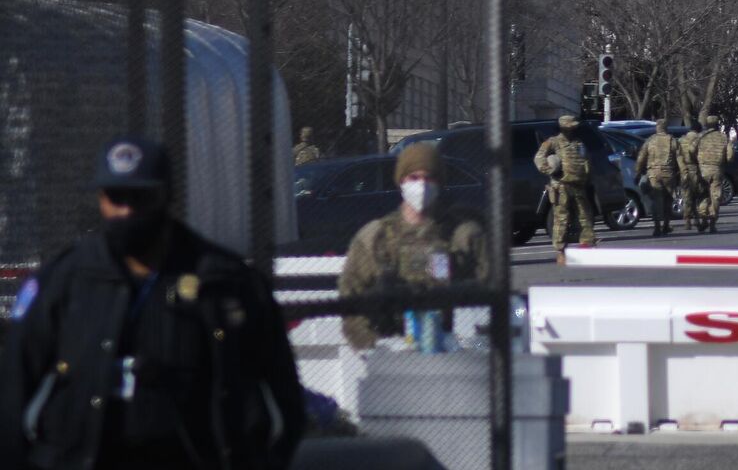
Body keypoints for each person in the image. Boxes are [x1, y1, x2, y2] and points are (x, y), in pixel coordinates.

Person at [0, 135, 306, 469]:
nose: (127, 211)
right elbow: (13, 389)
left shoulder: (225, 283)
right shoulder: (65, 282)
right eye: (116, 197)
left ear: (166, 196)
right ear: (100, 199)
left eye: (140, 197)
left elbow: (285, 397)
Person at [338, 141, 487, 351]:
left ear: (440, 182)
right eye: (414, 178)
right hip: (390, 356)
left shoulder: (465, 235)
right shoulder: (375, 237)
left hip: (456, 356)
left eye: (430, 178)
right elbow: (350, 301)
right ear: (401, 181)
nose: (422, 185)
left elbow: (493, 296)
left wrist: (472, 345)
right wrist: (374, 347)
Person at [533, 114, 596, 261]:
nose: (572, 129)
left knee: (585, 216)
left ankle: (587, 244)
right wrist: (550, 170)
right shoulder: (553, 142)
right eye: (570, 127)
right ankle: (560, 250)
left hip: (578, 185)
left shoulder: (578, 143)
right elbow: (539, 158)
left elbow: (586, 161)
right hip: (561, 186)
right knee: (561, 218)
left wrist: (588, 178)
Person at [634, 123, 680, 237]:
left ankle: (657, 226)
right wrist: (682, 173)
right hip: (668, 174)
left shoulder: (650, 141)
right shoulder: (672, 141)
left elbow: (641, 159)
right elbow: (680, 158)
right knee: (668, 199)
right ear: (666, 128)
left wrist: (638, 173)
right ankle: (666, 225)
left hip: (653, 174)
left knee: (656, 199)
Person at [693, 114, 735, 233]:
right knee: (715, 196)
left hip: (702, 170)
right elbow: (730, 156)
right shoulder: (723, 138)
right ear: (717, 125)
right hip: (717, 170)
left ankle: (703, 215)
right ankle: (712, 222)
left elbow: (691, 150)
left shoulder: (700, 137)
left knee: (703, 195)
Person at [676, 119, 704, 232]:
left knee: (687, 196)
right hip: (696, 169)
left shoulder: (681, 140)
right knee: (698, 196)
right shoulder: (700, 139)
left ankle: (687, 221)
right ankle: (698, 219)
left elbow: (677, 156)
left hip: (683, 170)